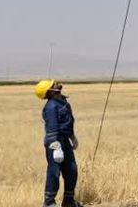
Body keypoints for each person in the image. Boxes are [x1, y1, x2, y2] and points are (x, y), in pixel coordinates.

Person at [36, 79, 81, 207]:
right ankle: (49, 202)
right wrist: (55, 146)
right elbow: (52, 127)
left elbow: (68, 122)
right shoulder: (51, 106)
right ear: (50, 91)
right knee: (54, 172)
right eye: (53, 84)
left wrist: (72, 137)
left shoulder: (63, 102)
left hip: (65, 140)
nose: (56, 84)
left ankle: (69, 201)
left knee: (72, 170)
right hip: (55, 142)